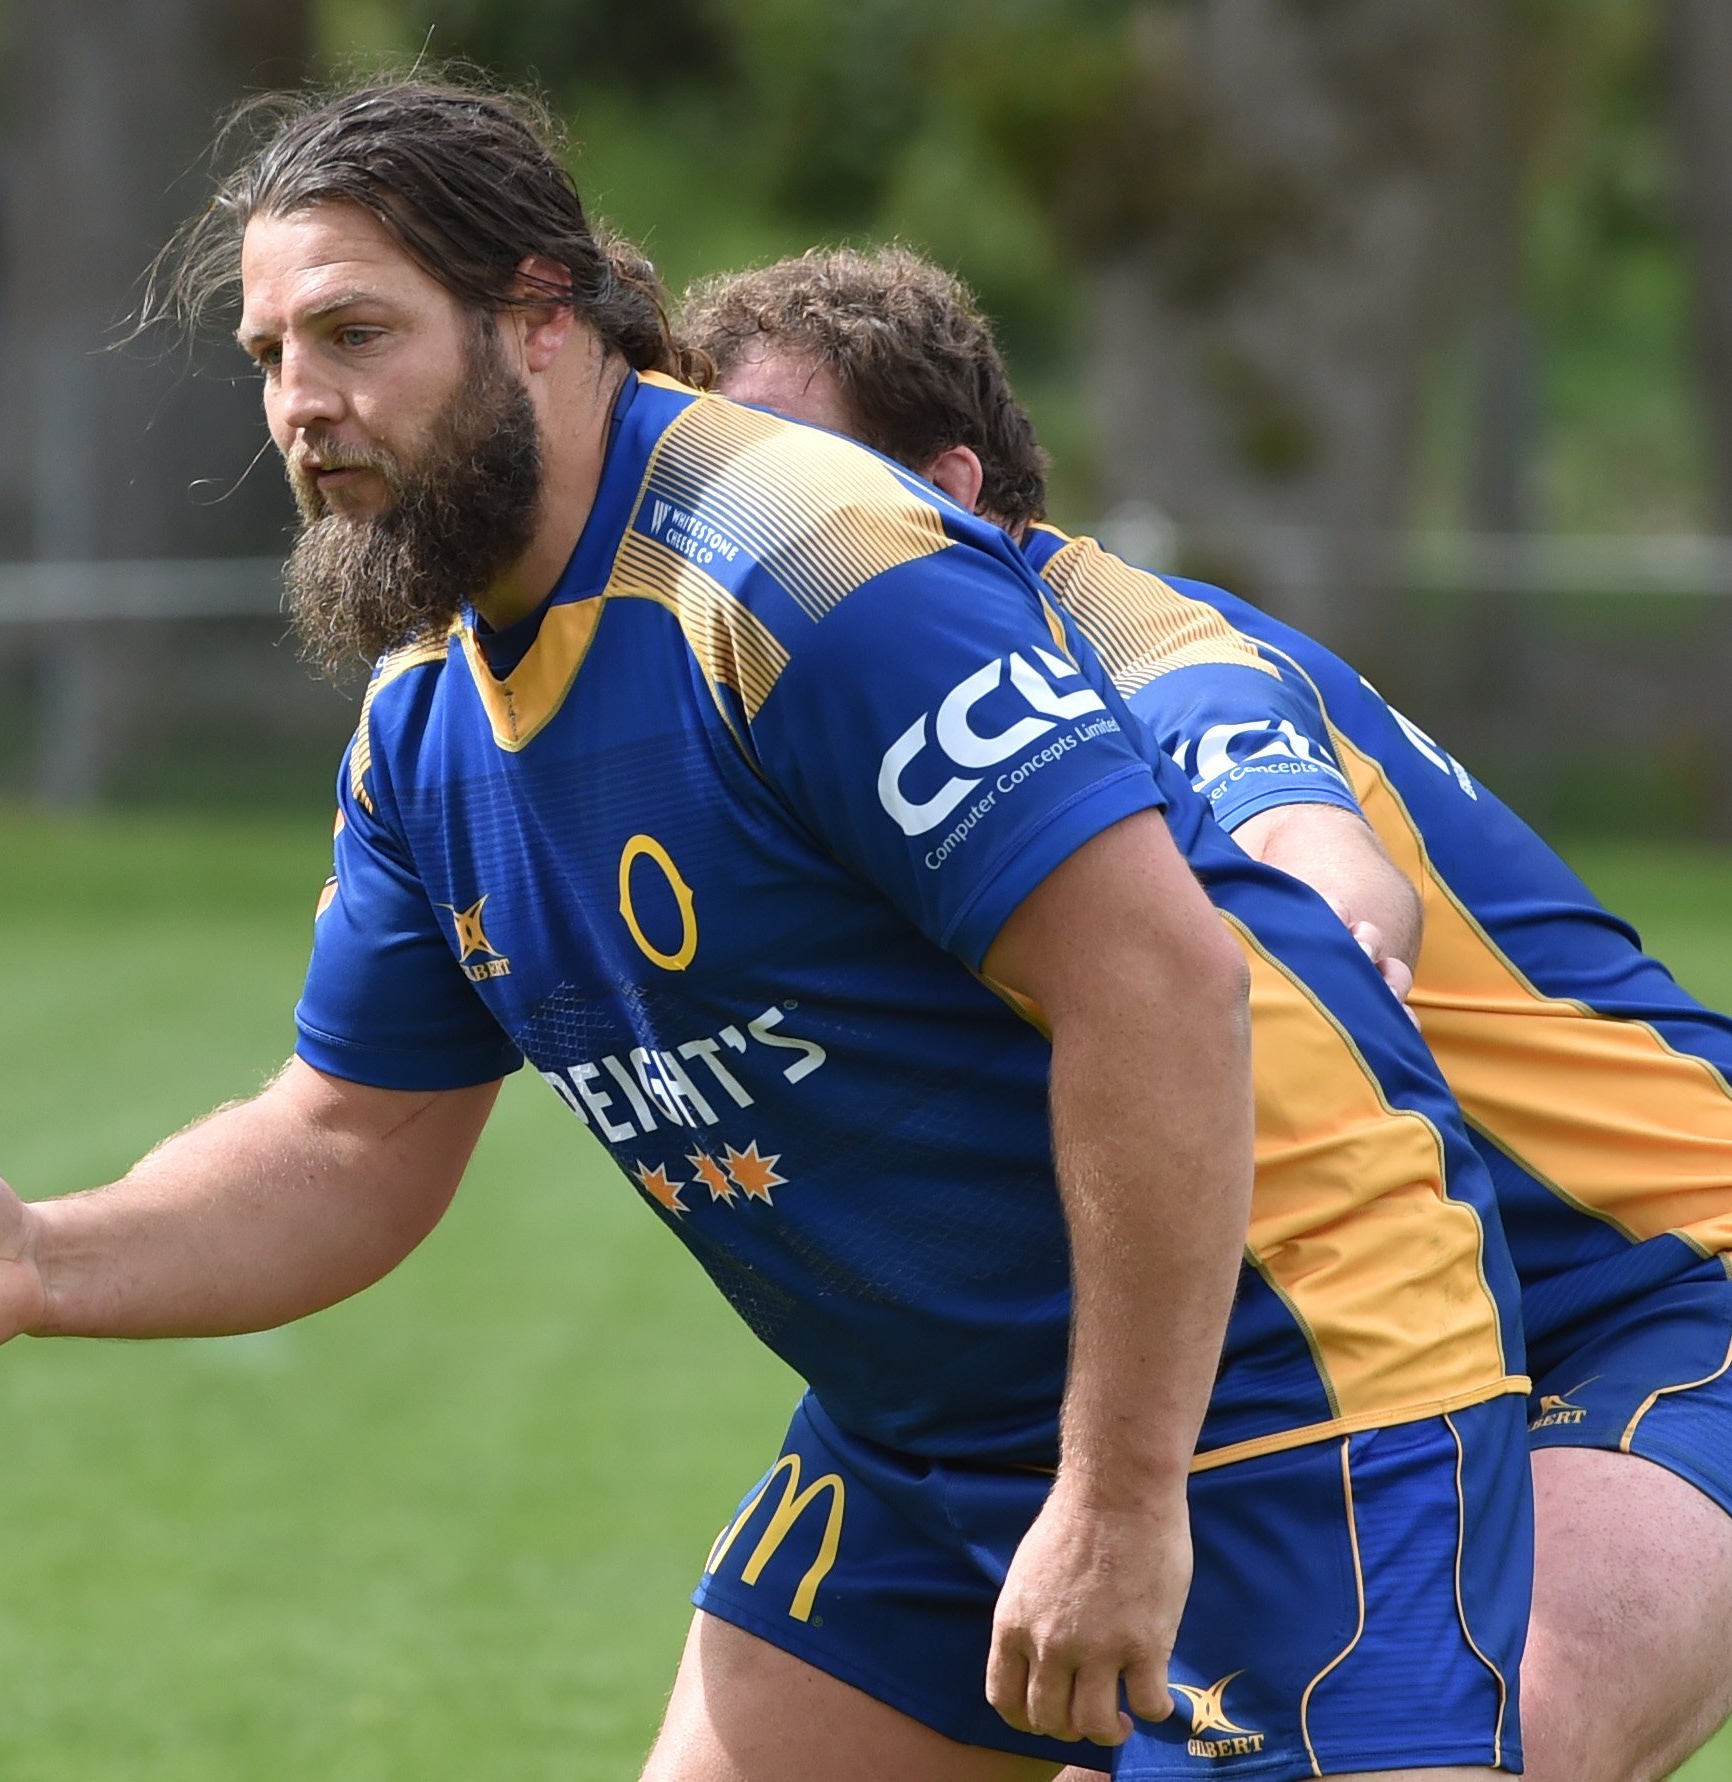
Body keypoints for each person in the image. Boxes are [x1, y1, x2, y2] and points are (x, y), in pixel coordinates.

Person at [0, 82, 1536, 1782]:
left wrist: (1127, 1493)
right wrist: (44, 1257)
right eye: (271, 355)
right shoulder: (431, 724)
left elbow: (1159, 987)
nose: (300, 404)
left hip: (1287, 1387)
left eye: (358, 332)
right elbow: (348, 1138)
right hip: (932, 1439)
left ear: (543, 316)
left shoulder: (805, 564)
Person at [685, 243, 1732, 1782]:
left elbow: (1309, 853)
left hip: (1649, 1288)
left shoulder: (1132, 649)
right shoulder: (769, 708)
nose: (736, 530)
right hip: (1181, 1330)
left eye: (784, 469)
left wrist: (1319, 927)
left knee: (1503, 1739)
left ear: (950, 488)